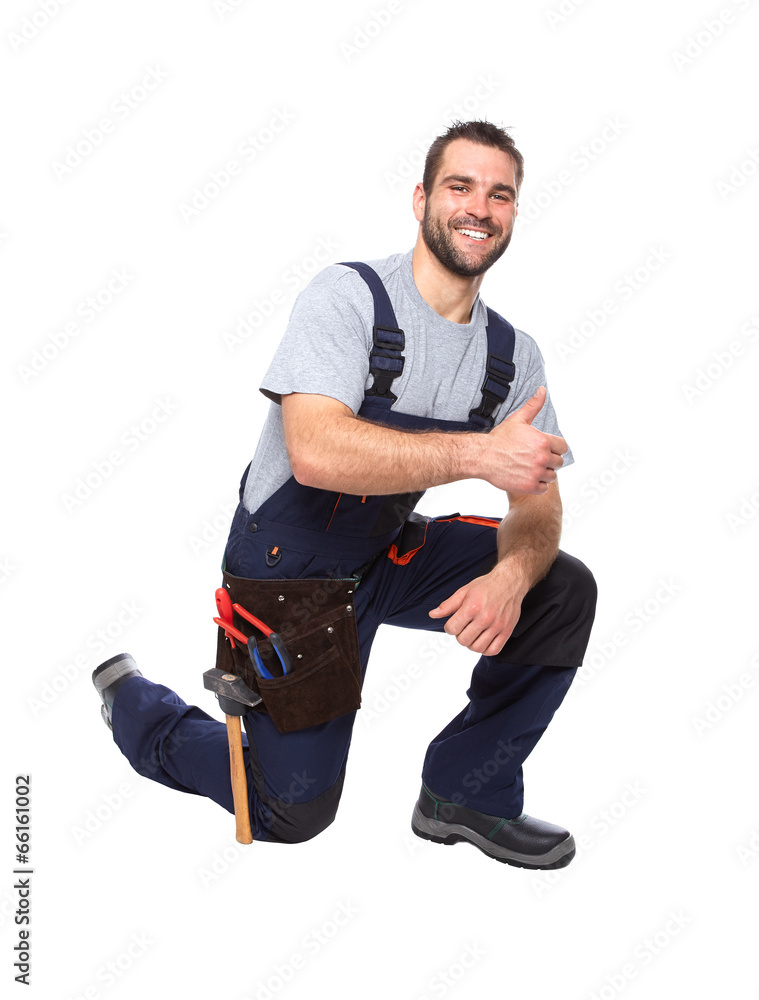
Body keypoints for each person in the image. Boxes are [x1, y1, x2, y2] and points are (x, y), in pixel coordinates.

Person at [93, 120, 597, 870]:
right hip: (288, 571)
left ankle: (465, 795)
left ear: (514, 213)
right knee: (288, 811)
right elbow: (315, 451)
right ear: (422, 199)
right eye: (459, 186)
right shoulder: (348, 298)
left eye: (500, 194)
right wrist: (477, 454)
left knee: (560, 588)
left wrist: (513, 575)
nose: (479, 208)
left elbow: (539, 497)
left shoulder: (512, 356)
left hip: (386, 555)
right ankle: (136, 707)